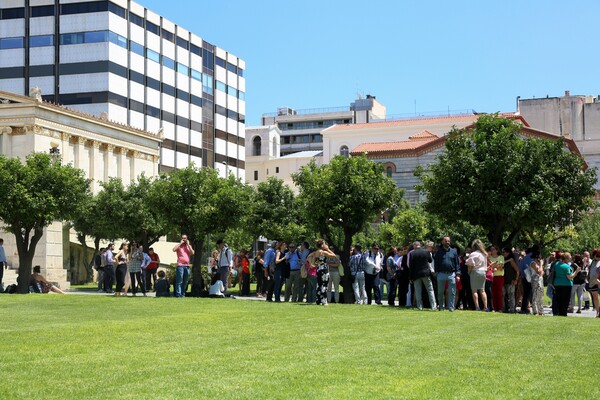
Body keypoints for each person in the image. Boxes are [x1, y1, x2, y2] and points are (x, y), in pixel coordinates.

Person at [434, 236, 460, 312]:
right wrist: (437, 273)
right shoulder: (439, 252)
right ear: (442, 242)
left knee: (452, 292)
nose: (447, 242)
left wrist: (458, 274)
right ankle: (441, 307)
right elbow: (436, 263)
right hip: (441, 274)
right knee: (440, 292)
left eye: (448, 241)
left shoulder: (453, 252)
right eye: (445, 241)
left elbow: (457, 264)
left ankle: (451, 307)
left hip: (451, 274)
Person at [307, 239, 337, 305]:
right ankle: (324, 301)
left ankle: (318, 300)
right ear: (322, 245)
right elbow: (334, 256)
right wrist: (328, 249)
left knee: (319, 285)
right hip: (324, 270)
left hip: (318, 270)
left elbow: (314, 264)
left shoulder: (315, 253)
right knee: (324, 285)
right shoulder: (323, 252)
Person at [408, 241, 436, 310]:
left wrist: (410, 277)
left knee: (418, 291)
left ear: (415, 245)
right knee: (430, 290)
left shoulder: (412, 253)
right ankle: (433, 306)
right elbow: (430, 260)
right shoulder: (426, 252)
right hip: (426, 273)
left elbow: (411, 266)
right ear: (419, 245)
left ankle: (420, 306)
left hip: (416, 274)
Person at [466, 239, 488, 311]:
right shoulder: (484, 254)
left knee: (474, 291)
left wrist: (469, 272)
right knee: (482, 290)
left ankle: (477, 307)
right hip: (483, 272)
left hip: (475, 271)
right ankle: (485, 307)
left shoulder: (473, 254)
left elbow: (470, 265)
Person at [501, 247, 519, 313]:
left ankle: (512, 309)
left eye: (504, 252)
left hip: (511, 280)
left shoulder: (511, 260)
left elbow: (517, 270)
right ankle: (504, 308)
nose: (503, 254)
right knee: (503, 295)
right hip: (503, 280)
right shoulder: (502, 260)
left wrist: (516, 279)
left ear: (508, 253)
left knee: (511, 295)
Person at [488, 245, 504, 312]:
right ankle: (494, 308)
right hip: (491, 277)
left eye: (493, 249)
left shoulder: (501, 257)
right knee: (493, 293)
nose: (492, 250)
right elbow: (490, 267)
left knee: (499, 293)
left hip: (499, 276)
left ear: (497, 250)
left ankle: (500, 308)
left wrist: (494, 266)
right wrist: (496, 265)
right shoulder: (489, 258)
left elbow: (501, 267)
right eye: (491, 249)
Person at [588, 249, 600, 318]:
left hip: (598, 281)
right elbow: (591, 269)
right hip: (592, 281)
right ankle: (597, 312)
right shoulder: (593, 261)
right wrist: (588, 276)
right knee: (595, 297)